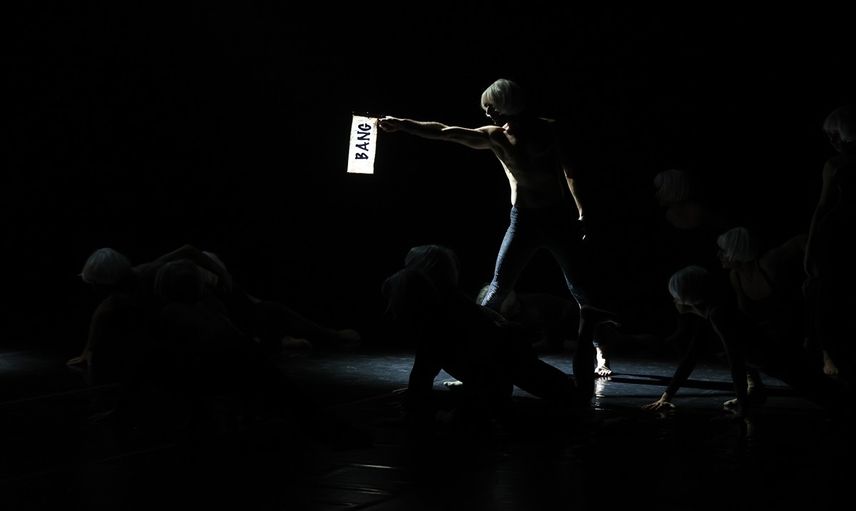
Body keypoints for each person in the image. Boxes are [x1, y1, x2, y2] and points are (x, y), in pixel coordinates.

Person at [379, 78, 617, 395]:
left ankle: (602, 354)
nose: (487, 112)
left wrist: (582, 210)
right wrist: (402, 124)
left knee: (581, 289)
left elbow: (569, 169)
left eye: (490, 106)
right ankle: (475, 357)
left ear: (506, 104)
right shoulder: (496, 137)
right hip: (524, 221)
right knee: (498, 287)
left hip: (557, 218)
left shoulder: (548, 129)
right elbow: (445, 132)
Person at [381, 244, 587, 431]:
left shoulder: (439, 318)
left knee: (554, 394)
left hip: (503, 362)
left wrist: (418, 411)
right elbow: (425, 375)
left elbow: (423, 375)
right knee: (554, 390)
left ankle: (572, 396)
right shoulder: (449, 307)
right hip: (504, 360)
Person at [803, 104, 856, 385]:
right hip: (836, 237)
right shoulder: (835, 165)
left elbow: (823, 208)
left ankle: (834, 356)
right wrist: (811, 246)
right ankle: (828, 355)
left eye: (835, 134)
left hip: (843, 236)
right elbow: (822, 207)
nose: (832, 140)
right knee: (828, 294)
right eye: (829, 135)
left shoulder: (841, 165)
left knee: (835, 296)